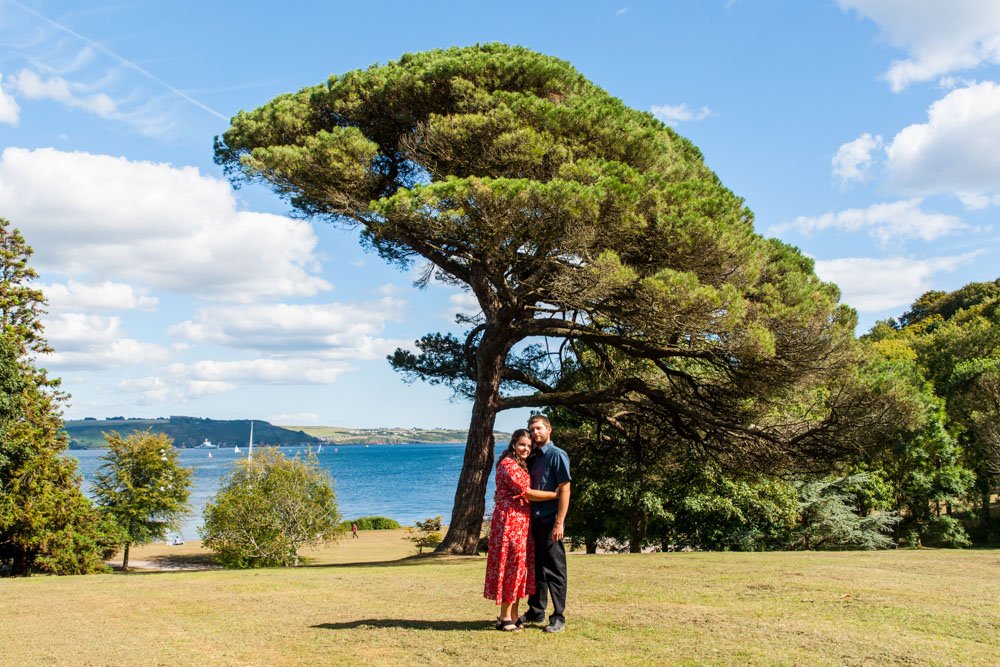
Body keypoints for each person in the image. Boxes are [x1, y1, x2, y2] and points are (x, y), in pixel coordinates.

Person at [484, 429, 558, 632]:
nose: (526, 449)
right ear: (513, 444)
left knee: (518, 568)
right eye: (522, 444)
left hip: (520, 521)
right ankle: (504, 617)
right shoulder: (509, 465)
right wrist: (554, 494)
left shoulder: (518, 464)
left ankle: (513, 615)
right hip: (510, 521)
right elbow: (526, 493)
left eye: (528, 445)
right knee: (511, 566)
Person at [520, 414, 571, 633]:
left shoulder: (557, 455)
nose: (535, 433)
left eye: (539, 428)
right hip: (534, 520)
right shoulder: (532, 457)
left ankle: (558, 616)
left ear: (549, 430)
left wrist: (559, 523)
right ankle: (536, 611)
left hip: (551, 521)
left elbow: (565, 489)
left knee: (555, 570)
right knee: (536, 568)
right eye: (532, 430)